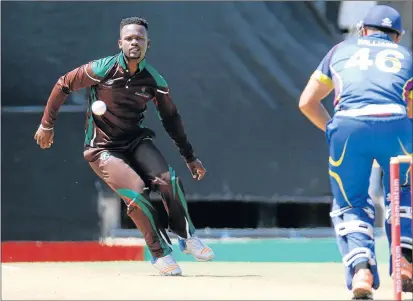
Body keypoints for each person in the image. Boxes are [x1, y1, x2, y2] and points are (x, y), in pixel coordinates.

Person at [34, 17, 214, 276]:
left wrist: (190, 156)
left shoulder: (154, 80)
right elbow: (63, 83)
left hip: (135, 140)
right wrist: (47, 125)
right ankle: (160, 254)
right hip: (102, 148)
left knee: (168, 179)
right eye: (129, 38)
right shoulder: (101, 69)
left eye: (139, 39)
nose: (134, 42)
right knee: (137, 193)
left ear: (147, 45)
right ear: (120, 43)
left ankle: (187, 236)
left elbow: (171, 118)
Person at [298, 5, 412, 300]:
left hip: (348, 126)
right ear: (397, 37)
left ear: (362, 31)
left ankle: (361, 269)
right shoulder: (406, 56)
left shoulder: (340, 50)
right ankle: (406, 263)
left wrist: (333, 131)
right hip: (395, 123)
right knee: (404, 194)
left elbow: (307, 102)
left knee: (350, 203)